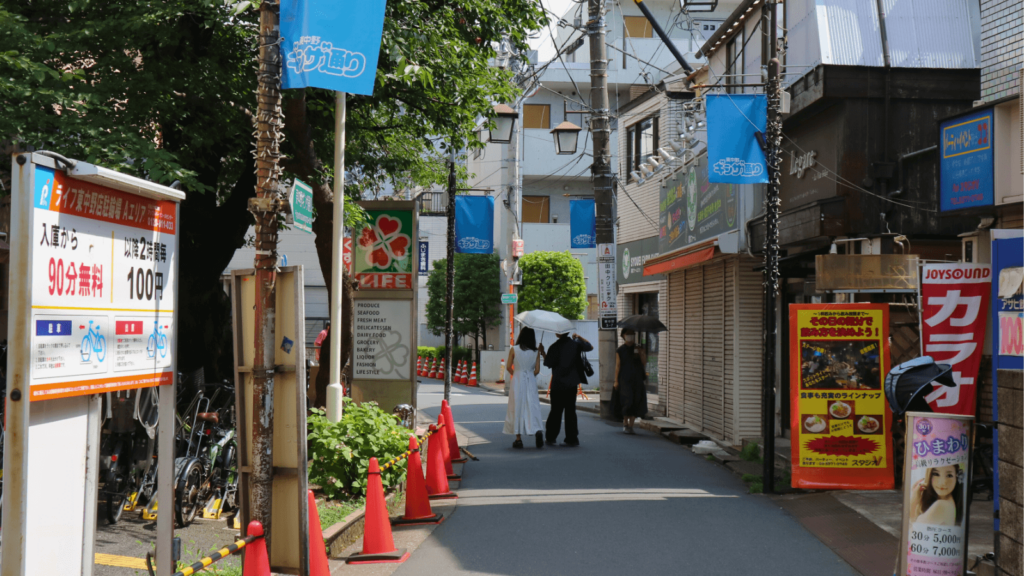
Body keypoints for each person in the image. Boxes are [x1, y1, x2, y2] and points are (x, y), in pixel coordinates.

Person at [543, 331, 592, 447]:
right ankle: (572, 438)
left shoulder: (554, 347)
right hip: (572, 383)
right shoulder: (576, 344)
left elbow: (548, 363)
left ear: (557, 334)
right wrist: (579, 337)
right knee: (570, 412)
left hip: (558, 384)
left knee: (555, 411)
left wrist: (542, 352)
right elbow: (590, 346)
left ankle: (551, 437)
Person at [503, 327, 545, 449]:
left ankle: (518, 439)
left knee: (517, 406)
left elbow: (508, 367)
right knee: (532, 406)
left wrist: (516, 374)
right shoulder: (536, 351)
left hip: (517, 380)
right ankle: (537, 429)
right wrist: (529, 375)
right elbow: (537, 370)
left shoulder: (514, 349)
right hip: (530, 380)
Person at [613, 328, 648, 434]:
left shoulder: (638, 348)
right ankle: (625, 422)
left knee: (636, 400)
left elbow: (644, 363)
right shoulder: (620, 350)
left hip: (637, 378)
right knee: (627, 400)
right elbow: (617, 366)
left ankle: (631, 425)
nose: (630, 336)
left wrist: (642, 353)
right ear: (623, 336)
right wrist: (616, 381)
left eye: (632, 334)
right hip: (624, 378)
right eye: (628, 334)